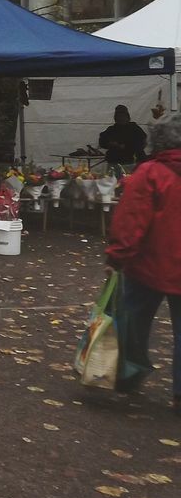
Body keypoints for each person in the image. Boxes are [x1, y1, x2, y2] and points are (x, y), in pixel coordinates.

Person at [105, 111, 181, 414]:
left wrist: (116, 257)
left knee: (133, 324)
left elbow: (131, 221)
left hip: (148, 266)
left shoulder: (150, 173)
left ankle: (129, 374)